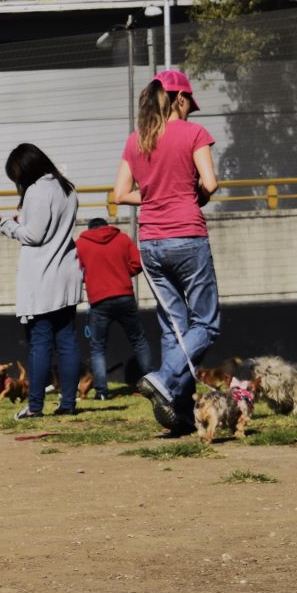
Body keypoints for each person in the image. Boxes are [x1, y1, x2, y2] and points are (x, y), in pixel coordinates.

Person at [113, 68, 221, 435]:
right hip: (188, 236)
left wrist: (156, 192)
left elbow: (120, 194)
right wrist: (193, 194)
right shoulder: (194, 134)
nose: (192, 109)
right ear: (178, 98)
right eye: (190, 101)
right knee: (206, 323)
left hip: (150, 244)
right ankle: (164, 378)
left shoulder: (137, 139)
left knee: (174, 327)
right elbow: (210, 183)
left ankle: (179, 412)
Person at [0, 144, 84, 419]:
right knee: (67, 341)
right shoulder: (67, 189)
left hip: (43, 278)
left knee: (40, 343)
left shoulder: (36, 191)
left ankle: (35, 406)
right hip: (67, 273)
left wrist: (8, 225)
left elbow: (34, 235)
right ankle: (68, 403)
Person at [75, 217, 152, 399]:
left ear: (89, 228)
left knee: (98, 348)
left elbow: (76, 271)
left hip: (99, 301)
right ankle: (152, 386)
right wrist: (124, 273)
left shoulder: (81, 244)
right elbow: (138, 263)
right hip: (125, 296)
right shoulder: (123, 239)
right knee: (139, 341)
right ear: (107, 226)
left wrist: (91, 279)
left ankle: (102, 392)